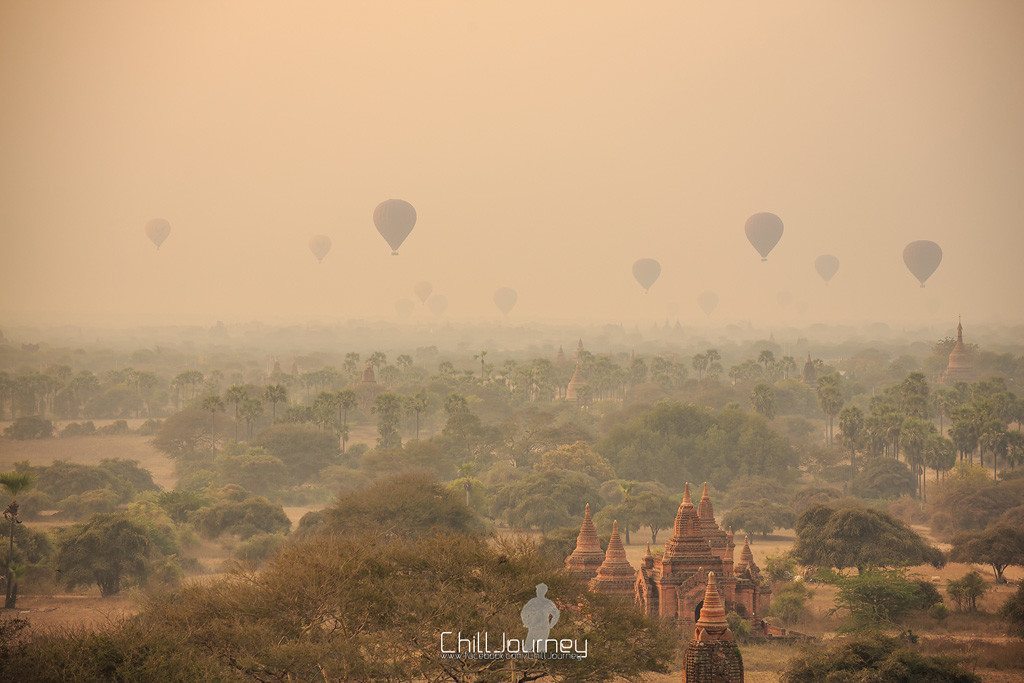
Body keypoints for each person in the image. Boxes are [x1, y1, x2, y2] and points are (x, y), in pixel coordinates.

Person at [520, 583, 560, 653]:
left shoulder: (547, 603)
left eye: (538, 590)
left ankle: (537, 661)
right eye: (537, 590)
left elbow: (556, 614)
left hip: (541, 627)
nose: (537, 591)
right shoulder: (534, 601)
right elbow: (524, 612)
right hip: (535, 626)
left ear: (544, 591)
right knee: (529, 646)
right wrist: (527, 623)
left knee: (538, 647)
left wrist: (551, 625)